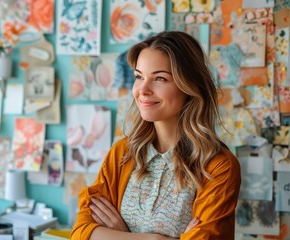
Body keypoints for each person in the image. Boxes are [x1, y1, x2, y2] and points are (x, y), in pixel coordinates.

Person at [70, 31, 241, 240]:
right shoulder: (122, 153)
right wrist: (153, 239)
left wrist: (119, 233)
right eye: (139, 77)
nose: (143, 89)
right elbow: (81, 233)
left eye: (160, 78)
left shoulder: (218, 167)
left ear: (189, 85)